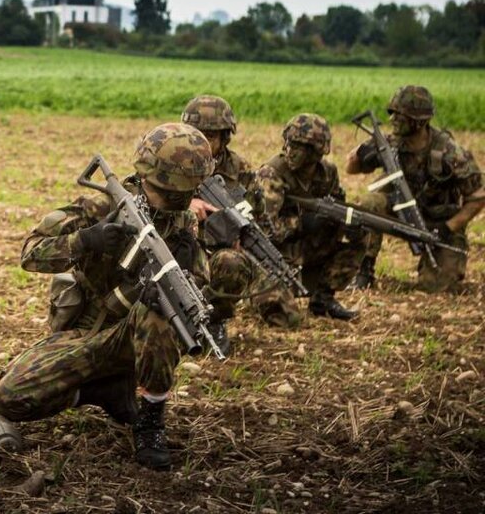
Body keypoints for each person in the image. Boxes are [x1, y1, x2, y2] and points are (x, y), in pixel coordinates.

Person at [0, 122, 213, 471]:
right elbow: (30, 253)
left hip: (130, 336)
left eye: (183, 195)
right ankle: (103, 392)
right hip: (84, 334)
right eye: (167, 193)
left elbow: (196, 287)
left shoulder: (181, 222)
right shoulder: (101, 205)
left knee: (162, 312)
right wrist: (85, 240)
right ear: (143, 177)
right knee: (10, 399)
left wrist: (186, 272)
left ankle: (150, 421)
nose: (175, 202)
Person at [183, 96, 303, 350]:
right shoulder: (173, 158)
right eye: (198, 135)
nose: (202, 143)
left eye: (211, 137)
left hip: (223, 250)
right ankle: (202, 318)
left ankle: (214, 311)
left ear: (225, 137)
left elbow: (256, 214)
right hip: (180, 247)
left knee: (288, 316)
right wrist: (186, 207)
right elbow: (140, 197)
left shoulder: (240, 169)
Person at [345, 86, 483, 292]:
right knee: (369, 204)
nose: (393, 120)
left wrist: (449, 227)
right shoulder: (389, 143)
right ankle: (364, 271)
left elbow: (479, 196)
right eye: (392, 114)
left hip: (437, 222)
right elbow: (351, 168)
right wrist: (361, 154)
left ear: (420, 122)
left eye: (401, 116)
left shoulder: (449, 152)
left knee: (436, 287)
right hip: (398, 212)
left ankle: (431, 265)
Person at [255, 114, 361, 321]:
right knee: (286, 319)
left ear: (317, 151)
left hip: (309, 249)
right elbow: (263, 230)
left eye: (299, 147)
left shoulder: (327, 172)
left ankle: (323, 299)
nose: (290, 151)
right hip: (274, 255)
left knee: (359, 231)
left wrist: (347, 225)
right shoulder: (272, 173)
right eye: (289, 143)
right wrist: (302, 223)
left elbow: (339, 206)